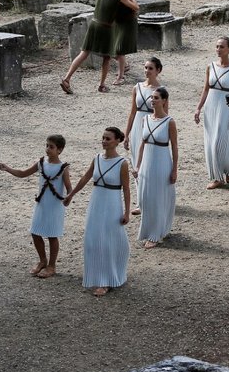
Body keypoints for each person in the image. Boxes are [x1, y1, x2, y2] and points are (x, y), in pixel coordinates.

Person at [66, 127, 131, 296]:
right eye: (103, 138)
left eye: (108, 139)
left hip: (112, 204)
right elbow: (85, 178)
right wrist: (71, 194)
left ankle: (106, 280)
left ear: (117, 141)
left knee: (108, 240)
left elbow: (126, 189)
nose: (104, 141)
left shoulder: (122, 163)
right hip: (96, 203)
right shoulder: (96, 158)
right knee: (93, 238)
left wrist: (127, 212)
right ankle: (96, 275)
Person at [0, 135, 73, 279]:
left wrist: (69, 197)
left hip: (55, 206)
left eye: (51, 147)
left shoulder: (63, 168)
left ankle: (52, 265)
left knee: (52, 235)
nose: (47, 149)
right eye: (47, 146)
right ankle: (42, 260)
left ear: (60, 150)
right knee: (35, 232)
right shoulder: (41, 162)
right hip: (42, 204)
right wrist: (7, 168)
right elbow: (23, 173)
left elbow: (69, 187)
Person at [60, 0, 138, 95]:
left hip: (94, 24)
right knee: (106, 58)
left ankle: (67, 78)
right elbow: (135, 7)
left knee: (83, 53)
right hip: (105, 28)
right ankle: (102, 85)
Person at [133, 88, 178, 248]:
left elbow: (174, 147)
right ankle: (148, 229)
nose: (152, 100)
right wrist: (137, 166)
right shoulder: (145, 119)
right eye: (151, 98)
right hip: (146, 163)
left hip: (162, 163)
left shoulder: (169, 122)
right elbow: (141, 145)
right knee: (145, 198)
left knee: (158, 197)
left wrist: (174, 170)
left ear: (164, 101)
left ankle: (156, 234)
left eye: (156, 98)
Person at [194, 37, 229, 189]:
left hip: (225, 107)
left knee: (222, 141)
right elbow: (206, 88)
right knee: (210, 140)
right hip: (210, 106)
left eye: (222, 47)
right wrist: (199, 108)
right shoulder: (210, 66)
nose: (218, 49)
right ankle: (217, 176)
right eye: (217, 46)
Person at [122, 56, 163, 216]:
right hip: (138, 126)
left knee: (149, 163)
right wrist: (126, 134)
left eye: (150, 68)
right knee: (136, 165)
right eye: (145, 68)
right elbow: (132, 112)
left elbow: (164, 114)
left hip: (151, 126)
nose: (147, 71)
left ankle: (153, 198)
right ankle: (141, 201)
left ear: (158, 70)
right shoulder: (137, 87)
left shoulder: (161, 91)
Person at [111, 0, 140, 84]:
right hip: (116, 22)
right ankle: (125, 65)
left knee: (119, 50)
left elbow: (135, 6)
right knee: (112, 51)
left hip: (127, 23)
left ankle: (121, 76)